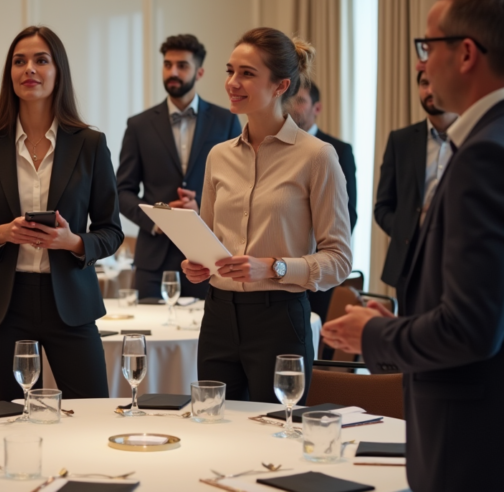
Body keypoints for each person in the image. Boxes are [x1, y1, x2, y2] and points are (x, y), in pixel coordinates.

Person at [323, 0, 504, 492]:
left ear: (466, 53)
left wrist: (373, 334)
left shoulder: (484, 153)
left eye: (429, 45)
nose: (422, 62)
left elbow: (471, 329)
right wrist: (406, 319)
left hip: (466, 432)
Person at [181, 28, 352, 403]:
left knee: (277, 434)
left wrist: (273, 268)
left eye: (247, 73)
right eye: (230, 71)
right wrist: (200, 264)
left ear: (280, 86)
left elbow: (339, 260)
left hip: (280, 320)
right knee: (214, 427)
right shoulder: (218, 156)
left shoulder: (317, 156)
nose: (232, 83)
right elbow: (210, 240)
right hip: (217, 318)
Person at [0, 26, 123, 401]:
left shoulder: (90, 144)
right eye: (19, 61)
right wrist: (2, 233)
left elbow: (111, 231)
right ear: (10, 74)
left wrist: (73, 241)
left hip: (72, 304)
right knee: (6, 419)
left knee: (91, 411)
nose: (29, 69)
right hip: (5, 306)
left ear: (57, 71)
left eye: (40, 60)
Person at [117, 34, 240, 300]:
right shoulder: (138, 125)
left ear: (200, 72)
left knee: (204, 339)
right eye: (168, 64)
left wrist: (204, 210)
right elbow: (121, 192)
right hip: (153, 263)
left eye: (182, 65)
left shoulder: (226, 121)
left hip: (210, 260)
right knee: (152, 339)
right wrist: (159, 219)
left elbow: (240, 190)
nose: (173, 72)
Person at [374, 70, 458, 306]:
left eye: (434, 82)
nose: (429, 90)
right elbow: (383, 207)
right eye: (423, 83)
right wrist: (407, 232)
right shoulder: (400, 140)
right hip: (410, 263)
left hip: (461, 258)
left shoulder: (474, 136)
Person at [287, 81, 357, 321]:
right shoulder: (277, 149)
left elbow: (348, 214)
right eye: (290, 99)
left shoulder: (337, 150)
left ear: (317, 108)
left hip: (317, 265)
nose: (293, 107)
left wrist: (310, 258)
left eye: (301, 101)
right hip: (279, 268)